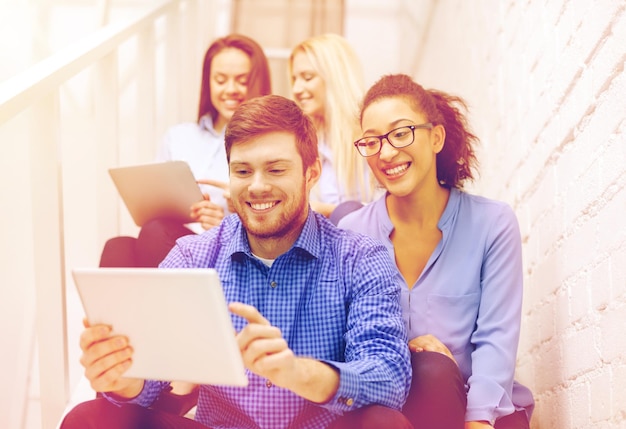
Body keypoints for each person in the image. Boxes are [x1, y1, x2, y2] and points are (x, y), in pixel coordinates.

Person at [60, 94, 414, 429]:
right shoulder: (193, 257)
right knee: (88, 418)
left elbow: (388, 377)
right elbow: (150, 380)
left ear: (311, 173)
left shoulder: (361, 258)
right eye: (243, 172)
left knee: (386, 424)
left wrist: (297, 373)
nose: (257, 187)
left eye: (275, 169)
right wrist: (122, 378)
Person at [338, 74, 535, 429]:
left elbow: (496, 339)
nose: (386, 153)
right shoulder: (351, 234)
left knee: (433, 372)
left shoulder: (492, 223)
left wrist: (478, 420)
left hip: (477, 407)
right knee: (421, 375)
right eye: (371, 141)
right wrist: (406, 348)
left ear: (436, 137)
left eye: (401, 133)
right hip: (392, 408)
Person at [100, 33, 272, 268]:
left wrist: (228, 221)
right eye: (220, 80)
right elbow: (152, 209)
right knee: (118, 247)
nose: (230, 89)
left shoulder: (270, 144)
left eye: (241, 80)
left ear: (258, 82)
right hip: (168, 242)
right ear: (208, 82)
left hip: (229, 254)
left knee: (155, 232)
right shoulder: (179, 137)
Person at [289, 33, 375, 221]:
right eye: (294, 79)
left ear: (335, 77)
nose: (296, 89)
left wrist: (329, 211)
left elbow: (389, 213)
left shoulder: (372, 140)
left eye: (307, 77)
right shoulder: (302, 143)